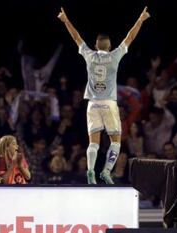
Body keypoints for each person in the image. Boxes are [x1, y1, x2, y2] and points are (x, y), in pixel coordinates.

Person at [57, 6, 150, 184]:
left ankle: (91, 171)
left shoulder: (89, 55)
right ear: (110, 45)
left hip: (92, 103)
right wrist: (141, 19)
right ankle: (106, 171)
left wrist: (65, 20)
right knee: (116, 141)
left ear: (95, 45)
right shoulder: (115, 56)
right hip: (108, 103)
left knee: (94, 143)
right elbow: (130, 37)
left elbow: (76, 37)